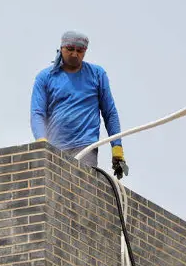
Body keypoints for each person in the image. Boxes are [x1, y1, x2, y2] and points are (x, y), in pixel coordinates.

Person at [31, 30, 129, 178]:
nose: (75, 54)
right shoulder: (46, 77)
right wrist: (41, 142)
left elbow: (110, 113)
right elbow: (37, 113)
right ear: (61, 48)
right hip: (55, 146)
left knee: (80, 187)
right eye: (70, 49)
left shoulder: (96, 74)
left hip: (85, 145)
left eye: (80, 50)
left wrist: (117, 148)